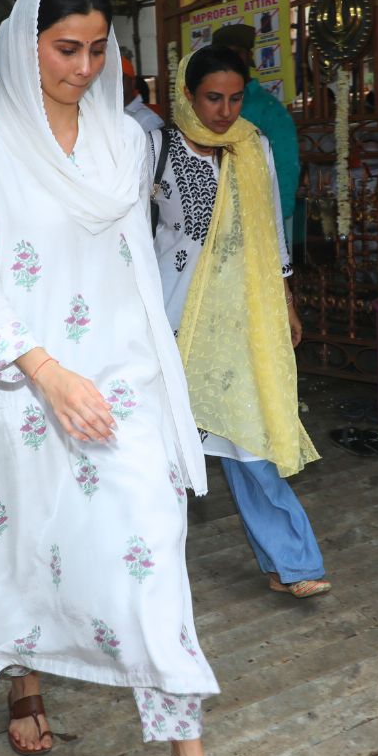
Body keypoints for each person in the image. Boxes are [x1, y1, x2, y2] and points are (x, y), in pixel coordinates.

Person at [0, 0, 263, 756]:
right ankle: (25, 676)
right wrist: (47, 374)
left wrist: (160, 374)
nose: (83, 69)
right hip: (24, 380)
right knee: (25, 540)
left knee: (153, 548)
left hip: (121, 379)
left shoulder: (125, 138)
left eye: (96, 50)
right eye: (64, 50)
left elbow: (138, 261)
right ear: (24, 45)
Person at [149, 44, 329, 599]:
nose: (224, 112)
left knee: (248, 439)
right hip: (170, 317)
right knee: (154, 444)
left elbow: (271, 230)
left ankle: (292, 564)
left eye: (234, 99)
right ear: (187, 94)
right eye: (212, 98)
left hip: (237, 319)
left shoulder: (253, 147)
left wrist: (286, 300)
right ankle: (141, 569)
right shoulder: (153, 148)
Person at [211, 23, 301, 256]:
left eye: (236, 53)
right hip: (212, 229)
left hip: (258, 229)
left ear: (248, 57)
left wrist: (270, 228)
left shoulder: (269, 110)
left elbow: (285, 172)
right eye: (224, 54)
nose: (230, 60)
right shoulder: (204, 107)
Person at [121, 56, 163, 134]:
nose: (115, 83)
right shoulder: (107, 114)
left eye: (120, 77)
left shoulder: (148, 120)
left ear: (133, 82)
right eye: (111, 79)